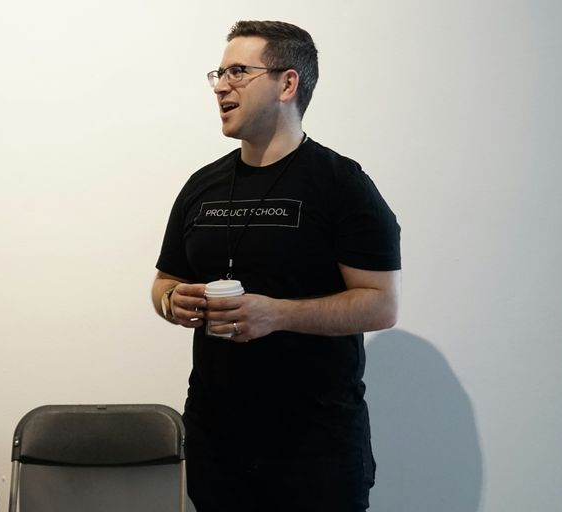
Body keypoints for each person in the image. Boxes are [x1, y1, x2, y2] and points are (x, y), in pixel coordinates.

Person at [152, 20, 401, 511]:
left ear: (288, 83)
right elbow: (165, 280)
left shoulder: (341, 184)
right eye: (218, 74)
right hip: (217, 440)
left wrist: (277, 315)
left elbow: (380, 305)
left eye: (239, 71)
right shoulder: (202, 185)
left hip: (315, 449)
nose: (221, 85)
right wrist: (170, 300)